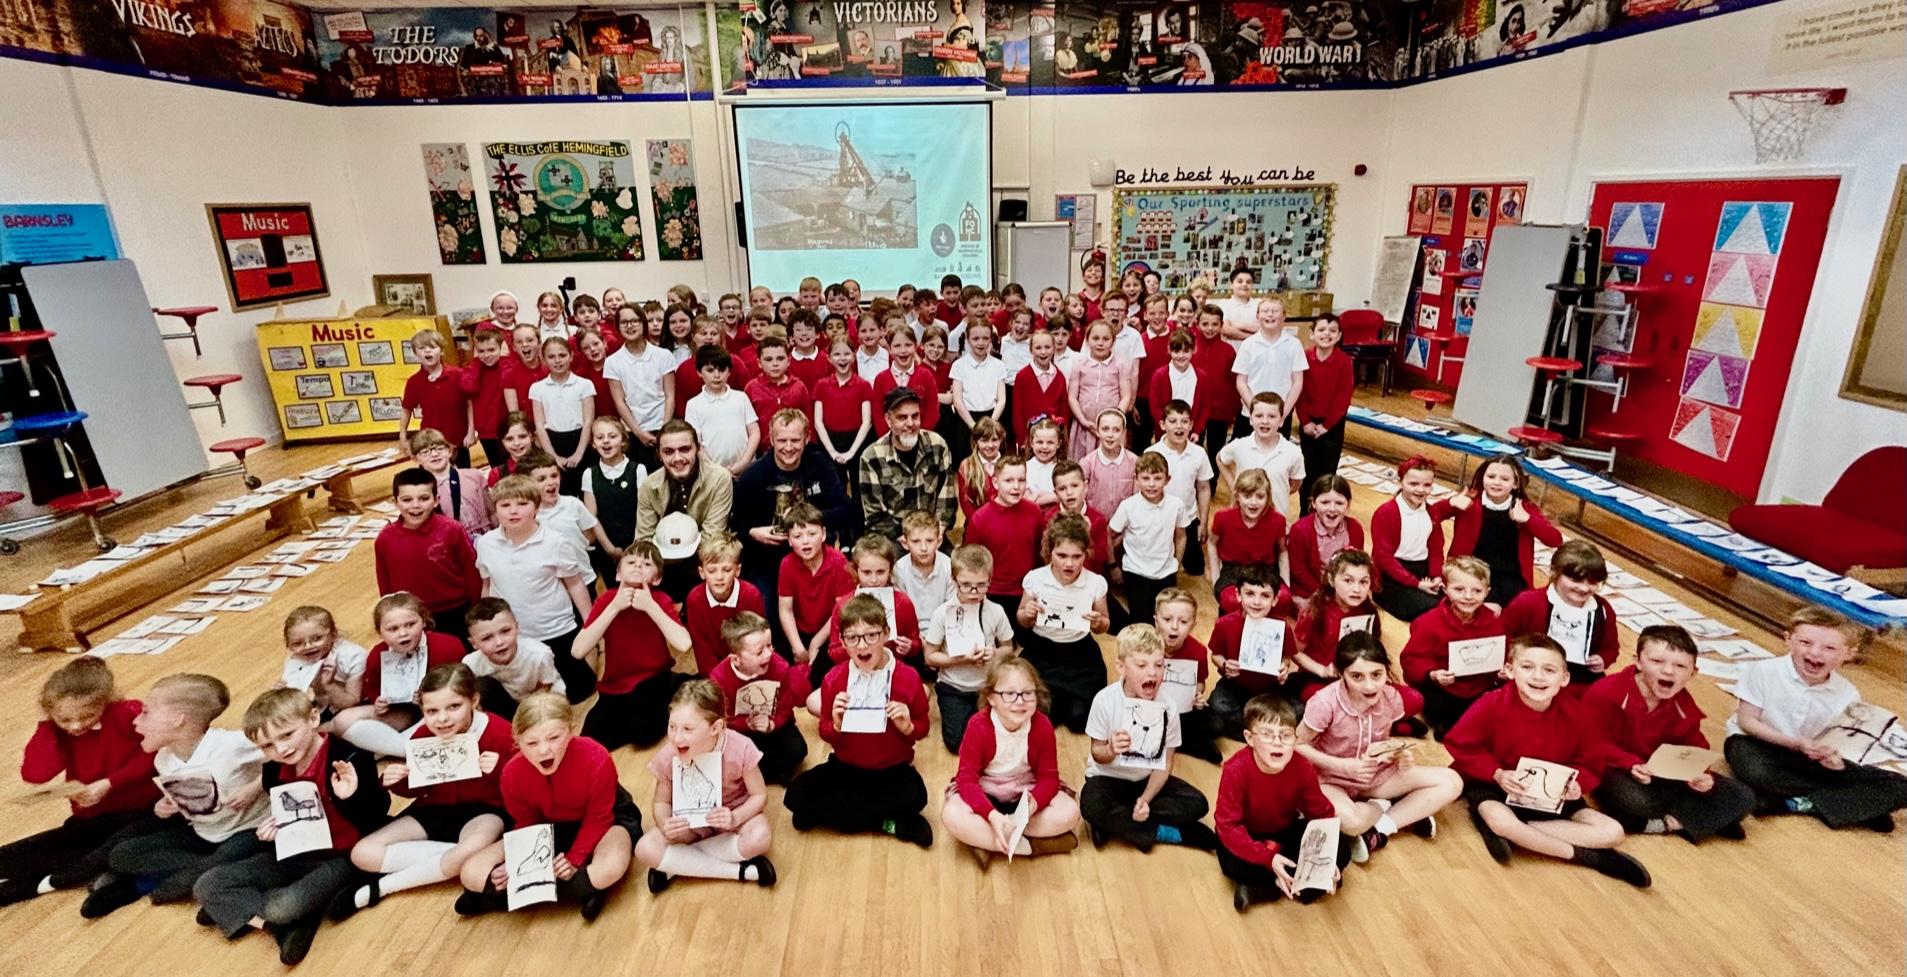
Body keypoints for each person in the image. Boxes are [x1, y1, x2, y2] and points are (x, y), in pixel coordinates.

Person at [194, 689, 390, 964]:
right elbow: (284, 811)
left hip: (341, 855)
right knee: (207, 885)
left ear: (312, 719)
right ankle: (280, 926)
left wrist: (351, 796)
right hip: (295, 854)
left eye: (287, 735)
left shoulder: (350, 755)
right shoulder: (274, 769)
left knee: (281, 906)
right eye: (268, 746)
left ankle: (252, 910)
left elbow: (378, 811)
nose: (281, 750)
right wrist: (275, 828)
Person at [1443, 636, 1651, 887]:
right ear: (1509, 670)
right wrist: (1496, 773)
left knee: (1614, 832)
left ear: (1564, 678)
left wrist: (1577, 784)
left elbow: (1592, 759)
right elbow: (1462, 744)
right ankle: (1590, 858)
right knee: (1500, 819)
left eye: (1549, 670)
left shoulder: (1577, 714)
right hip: (1497, 785)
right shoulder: (1491, 703)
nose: (1538, 677)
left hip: (1553, 794)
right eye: (1527, 667)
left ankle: (1518, 835)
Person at [332, 664, 512, 920]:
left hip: (485, 811)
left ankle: (384, 886)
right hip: (435, 808)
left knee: (472, 845)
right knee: (362, 852)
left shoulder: (499, 731)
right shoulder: (423, 735)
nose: (442, 719)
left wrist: (501, 769)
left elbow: (528, 787)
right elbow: (421, 788)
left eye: (453, 707)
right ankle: (451, 860)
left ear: (473, 700)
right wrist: (398, 781)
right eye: (432, 711)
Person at [83, 674, 265, 917]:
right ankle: (204, 873)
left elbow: (285, 760)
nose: (136, 721)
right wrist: (167, 805)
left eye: (145, 713)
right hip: (203, 834)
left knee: (173, 888)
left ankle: (141, 885)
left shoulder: (232, 745)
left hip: (248, 831)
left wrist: (255, 787)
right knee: (121, 854)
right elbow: (195, 801)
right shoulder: (163, 759)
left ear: (178, 719)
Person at [455, 694, 640, 920]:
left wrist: (574, 859)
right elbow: (526, 822)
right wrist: (515, 863)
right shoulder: (512, 774)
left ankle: (501, 898)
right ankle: (582, 889)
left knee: (611, 866)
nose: (544, 750)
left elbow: (599, 818)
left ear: (571, 730)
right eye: (532, 743)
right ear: (517, 740)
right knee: (470, 872)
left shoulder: (596, 757)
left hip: (608, 821)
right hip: (550, 826)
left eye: (553, 738)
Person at [1724, 607, 1907, 832]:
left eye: (1830, 648)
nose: (1816, 653)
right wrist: (1796, 744)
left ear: (1848, 653)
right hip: (1754, 743)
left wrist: (1834, 759)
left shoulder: (1848, 693)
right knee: (1756, 771)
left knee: (1901, 785)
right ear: (1788, 640)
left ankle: (1799, 803)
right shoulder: (1764, 671)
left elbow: (1839, 741)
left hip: (1806, 755)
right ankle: (1851, 804)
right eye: (1806, 643)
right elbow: (1747, 722)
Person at [0, 659, 158, 908]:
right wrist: (47, 727)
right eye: (65, 719)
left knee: (90, 854)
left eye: (87, 716)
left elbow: (155, 755)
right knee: (37, 850)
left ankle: (31, 886)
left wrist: (109, 783)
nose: (75, 726)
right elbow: (36, 774)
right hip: (91, 817)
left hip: (140, 811)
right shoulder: (56, 729)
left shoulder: (127, 713)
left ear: (104, 703)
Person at [785, 595, 935, 846]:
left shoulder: (907, 677)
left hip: (892, 768)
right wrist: (834, 723)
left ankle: (849, 816)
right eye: (853, 638)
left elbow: (922, 727)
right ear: (842, 641)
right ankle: (888, 823)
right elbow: (825, 732)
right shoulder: (834, 678)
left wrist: (908, 726)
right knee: (795, 796)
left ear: (886, 633)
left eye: (871, 635)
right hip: (846, 767)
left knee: (917, 796)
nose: (862, 646)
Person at [1297, 632, 1460, 860]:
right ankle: (1385, 807)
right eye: (1357, 676)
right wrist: (1342, 766)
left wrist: (1400, 754)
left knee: (1452, 781)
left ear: (1386, 669)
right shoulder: (1324, 703)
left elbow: (1381, 739)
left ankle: (1380, 829)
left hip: (1375, 776)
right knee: (1351, 822)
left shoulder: (1391, 697)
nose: (1370, 685)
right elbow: (1297, 746)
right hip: (1330, 779)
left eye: (1377, 674)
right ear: (1340, 674)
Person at [1584, 625, 1755, 842]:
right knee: (1634, 800)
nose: (1668, 671)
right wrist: (1631, 764)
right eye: (1657, 661)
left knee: (1745, 797)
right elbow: (1590, 743)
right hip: (1617, 768)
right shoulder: (1606, 692)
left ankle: (1666, 823)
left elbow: (1694, 746)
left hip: (1662, 774)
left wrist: (1704, 775)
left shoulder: (1683, 703)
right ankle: (1702, 819)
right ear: (1638, 661)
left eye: (1680, 666)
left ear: (1693, 673)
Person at [1080, 625, 1219, 852]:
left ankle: (1115, 823)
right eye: (1142, 665)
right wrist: (1111, 749)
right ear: (1121, 667)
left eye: (1159, 665)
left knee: (1198, 803)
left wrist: (1145, 799)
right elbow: (1097, 754)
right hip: (1108, 778)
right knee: (1090, 804)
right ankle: (1168, 833)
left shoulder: (1169, 706)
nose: (1152, 673)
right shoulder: (1104, 700)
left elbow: (1165, 763)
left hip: (1147, 780)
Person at [636, 681, 777, 892]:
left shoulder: (741, 747)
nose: (676, 737)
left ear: (716, 727)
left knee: (760, 837)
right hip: (689, 827)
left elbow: (759, 795)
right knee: (644, 849)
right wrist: (665, 823)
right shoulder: (669, 755)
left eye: (687, 729)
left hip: (731, 818)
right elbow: (661, 801)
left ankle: (677, 865)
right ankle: (742, 872)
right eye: (672, 726)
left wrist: (735, 817)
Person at [942, 656, 1083, 867]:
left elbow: (1049, 778)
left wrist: (1034, 803)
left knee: (1070, 812)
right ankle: (1032, 847)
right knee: (952, 814)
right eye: (1009, 694)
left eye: (1028, 693)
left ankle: (987, 843)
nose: (1020, 701)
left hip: (1026, 791)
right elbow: (967, 779)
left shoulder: (1042, 725)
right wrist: (991, 815)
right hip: (987, 791)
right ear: (991, 698)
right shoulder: (978, 725)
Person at [1217, 695, 1351, 911]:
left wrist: (1327, 859)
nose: (1278, 742)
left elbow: (1322, 814)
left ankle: (1268, 887)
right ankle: (1281, 884)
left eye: (1286, 735)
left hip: (1284, 828)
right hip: (1247, 833)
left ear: (1296, 740)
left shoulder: (1302, 767)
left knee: (1342, 851)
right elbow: (1228, 826)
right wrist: (1267, 857)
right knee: (1230, 861)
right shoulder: (1235, 770)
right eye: (1268, 735)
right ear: (1249, 738)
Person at [476, 474, 595, 699]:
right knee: (521, 692)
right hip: (513, 634)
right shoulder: (486, 544)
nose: (513, 511)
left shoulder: (556, 542)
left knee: (580, 691)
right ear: (496, 509)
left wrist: (589, 624)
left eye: (522, 504)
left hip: (555, 628)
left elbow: (575, 584)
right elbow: (487, 585)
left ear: (536, 508)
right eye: (505, 505)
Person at [574, 544, 692, 750]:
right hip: (616, 685)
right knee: (588, 741)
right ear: (618, 574)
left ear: (656, 579)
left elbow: (683, 643)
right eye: (631, 562)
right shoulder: (606, 600)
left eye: (646, 564)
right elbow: (578, 650)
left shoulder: (659, 600)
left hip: (654, 678)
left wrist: (650, 606)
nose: (638, 566)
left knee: (643, 733)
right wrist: (614, 607)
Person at [734, 409, 856, 606]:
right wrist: (753, 532)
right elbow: (736, 525)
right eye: (782, 441)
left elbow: (847, 511)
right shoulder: (753, 477)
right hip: (769, 560)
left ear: (806, 438)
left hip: (817, 555)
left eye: (795, 440)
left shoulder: (820, 466)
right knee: (764, 607)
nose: (788, 447)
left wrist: (810, 521)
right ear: (771, 439)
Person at [331, 594, 466, 758]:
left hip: (440, 713)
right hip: (402, 713)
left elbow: (463, 688)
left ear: (423, 621)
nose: (403, 633)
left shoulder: (448, 645)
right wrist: (379, 702)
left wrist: (429, 700)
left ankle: (392, 747)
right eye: (393, 629)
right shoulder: (377, 655)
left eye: (410, 624)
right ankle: (407, 750)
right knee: (341, 721)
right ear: (379, 631)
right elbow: (373, 687)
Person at [1016, 516, 1112, 732]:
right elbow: (1021, 618)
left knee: (1080, 720)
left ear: (1086, 554)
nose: (1069, 563)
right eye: (1062, 556)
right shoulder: (1036, 579)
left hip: (1079, 655)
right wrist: (1028, 613)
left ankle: (1067, 701)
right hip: (1043, 651)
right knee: (1043, 717)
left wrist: (1098, 622)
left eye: (1076, 556)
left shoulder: (1095, 582)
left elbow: (1105, 623)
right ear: (1050, 552)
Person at [923, 545, 1019, 754]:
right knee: (957, 743)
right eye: (966, 585)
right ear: (953, 581)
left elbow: (1008, 649)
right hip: (953, 687)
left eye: (981, 585)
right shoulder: (942, 613)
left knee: (1000, 739)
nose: (974, 592)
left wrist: (994, 654)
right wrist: (961, 659)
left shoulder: (996, 611)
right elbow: (930, 657)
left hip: (988, 687)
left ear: (990, 581)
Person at [1402, 557, 1507, 739]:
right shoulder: (1428, 623)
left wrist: (1503, 672)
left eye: (1477, 591)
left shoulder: (1494, 624)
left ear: (1487, 592)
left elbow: (1502, 655)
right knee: (1436, 705)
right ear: (1445, 590)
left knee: (1501, 702)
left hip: (1479, 685)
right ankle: (1457, 726)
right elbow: (1411, 659)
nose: (1468, 597)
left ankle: (1471, 724)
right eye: (1459, 589)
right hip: (1443, 688)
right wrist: (1432, 674)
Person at [376, 468, 482, 647]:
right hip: (410, 616)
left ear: (436, 501)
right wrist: (389, 614)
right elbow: (385, 584)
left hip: (455, 612)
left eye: (424, 499)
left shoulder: (452, 530)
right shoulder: (385, 539)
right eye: (407, 500)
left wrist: (477, 609)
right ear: (395, 502)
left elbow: (471, 571)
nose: (415, 505)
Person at [632, 420, 735, 602]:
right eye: (669, 451)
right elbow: (643, 540)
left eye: (685, 449)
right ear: (659, 454)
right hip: (662, 565)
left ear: (698, 448)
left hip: (705, 564)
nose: (677, 458)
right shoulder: (649, 485)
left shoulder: (720, 478)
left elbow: (713, 536)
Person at [1443, 454, 1564, 606]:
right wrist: (1450, 503)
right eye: (1491, 476)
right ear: (1483, 478)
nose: (1496, 483)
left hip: (1510, 577)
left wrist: (1528, 519)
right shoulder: (1470, 500)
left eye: (1505, 479)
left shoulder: (1525, 507)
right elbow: (1432, 515)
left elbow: (1555, 540)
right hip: (1471, 571)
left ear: (1515, 484)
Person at [1499, 539, 1620, 687]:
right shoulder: (1528, 602)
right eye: (1576, 580)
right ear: (1555, 573)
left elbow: (1611, 647)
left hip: (1580, 682)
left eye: (1593, 583)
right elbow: (1502, 635)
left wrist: (1603, 659)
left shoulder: (1603, 609)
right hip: (1534, 678)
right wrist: (1510, 663)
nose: (1584, 588)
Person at [710, 612, 811, 786]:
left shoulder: (780, 667)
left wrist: (772, 723)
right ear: (736, 659)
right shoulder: (719, 678)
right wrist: (745, 724)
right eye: (759, 652)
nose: (768, 654)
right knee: (724, 756)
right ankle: (764, 774)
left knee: (798, 749)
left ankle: (756, 775)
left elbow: (786, 706)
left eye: (770, 645)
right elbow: (722, 718)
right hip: (739, 733)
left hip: (774, 726)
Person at [1205, 564, 1300, 737]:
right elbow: (1215, 655)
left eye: (1265, 596)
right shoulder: (1224, 624)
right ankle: (1262, 729)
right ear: (1238, 595)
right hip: (1236, 684)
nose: (1256, 602)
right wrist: (1225, 664)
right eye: (1249, 594)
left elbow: (1286, 657)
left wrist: (1283, 667)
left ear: (1275, 600)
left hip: (1270, 686)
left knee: (1298, 710)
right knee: (1218, 705)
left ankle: (1250, 728)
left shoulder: (1282, 627)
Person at [858, 388, 958, 540]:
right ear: (888, 420)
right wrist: (907, 539)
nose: (910, 423)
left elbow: (947, 497)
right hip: (892, 537)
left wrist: (939, 531)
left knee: (953, 563)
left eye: (915, 416)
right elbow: (875, 513)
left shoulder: (938, 445)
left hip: (931, 532)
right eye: (902, 417)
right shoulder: (871, 457)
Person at [1109, 452, 1187, 627]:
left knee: (1167, 620)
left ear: (1167, 479)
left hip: (1165, 572)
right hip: (1136, 572)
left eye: (1157, 478)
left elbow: (1181, 535)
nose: (1151, 484)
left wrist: (1176, 563)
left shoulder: (1176, 505)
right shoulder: (1128, 506)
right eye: (1145, 478)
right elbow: (1109, 534)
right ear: (1136, 479)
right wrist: (1113, 565)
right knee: (1142, 622)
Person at [1370, 456, 1450, 624]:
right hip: (1392, 577)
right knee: (1435, 609)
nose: (1421, 490)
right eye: (1413, 484)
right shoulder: (1386, 513)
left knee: (1455, 601)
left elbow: (1436, 549)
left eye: (1427, 485)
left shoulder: (1431, 512)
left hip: (1422, 571)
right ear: (1400, 483)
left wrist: (1436, 577)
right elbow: (1384, 558)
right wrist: (1416, 584)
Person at [777, 502, 857, 668]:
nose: (805, 541)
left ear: (823, 534)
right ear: (789, 540)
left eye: (812, 534)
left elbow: (841, 610)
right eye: (798, 536)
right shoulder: (787, 564)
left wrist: (816, 642)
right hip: (799, 632)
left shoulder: (838, 562)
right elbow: (786, 610)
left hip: (830, 631)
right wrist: (797, 646)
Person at [962, 455, 1045, 613]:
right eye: (1008, 481)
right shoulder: (980, 518)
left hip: (1027, 592)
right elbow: (971, 562)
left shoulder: (1034, 512)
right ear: (995, 482)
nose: (1016, 487)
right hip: (992, 593)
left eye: (1021, 480)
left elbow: (1040, 552)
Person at [1292, 551, 1381, 698]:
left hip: (1356, 679)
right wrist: (1322, 670)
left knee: (1412, 699)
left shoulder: (1369, 612)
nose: (1357, 589)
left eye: (1363, 582)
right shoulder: (1314, 612)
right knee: (1325, 700)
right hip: (1316, 679)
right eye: (1348, 581)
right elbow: (1295, 652)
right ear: (1331, 580)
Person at [1142, 400, 1213, 577]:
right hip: (1159, 518)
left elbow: (1204, 488)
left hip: (1188, 518)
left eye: (1184, 421)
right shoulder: (1152, 452)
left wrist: (1203, 523)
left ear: (1191, 425)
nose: (1178, 426)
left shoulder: (1199, 453)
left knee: (1195, 569)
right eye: (1173, 421)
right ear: (1162, 425)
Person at [604, 303, 678, 471]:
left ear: (643, 323)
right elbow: (619, 401)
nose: (630, 326)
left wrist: (664, 430)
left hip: (663, 426)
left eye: (635, 321)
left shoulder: (663, 355)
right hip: (633, 432)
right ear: (618, 327)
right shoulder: (612, 362)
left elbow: (670, 395)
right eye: (624, 322)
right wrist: (638, 432)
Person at [1216, 392, 1305, 528]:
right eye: (1259, 416)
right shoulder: (1240, 445)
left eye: (1272, 416)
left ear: (1281, 420)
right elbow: (1220, 459)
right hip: (1242, 522)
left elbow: (1295, 483)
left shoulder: (1293, 452)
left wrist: (1278, 490)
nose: (1265, 421)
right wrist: (1234, 484)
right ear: (1251, 419)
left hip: (1276, 525)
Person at [1154, 587, 1223, 763]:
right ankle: (1185, 744)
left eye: (1183, 621)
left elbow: (1199, 682)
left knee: (1216, 725)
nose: (1174, 626)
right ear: (1156, 621)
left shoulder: (1198, 651)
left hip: (1181, 711)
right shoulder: (1143, 646)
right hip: (1151, 710)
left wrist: (1198, 695)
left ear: (1193, 625)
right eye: (1167, 619)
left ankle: (1171, 743)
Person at [462, 598, 565, 715]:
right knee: (483, 686)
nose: (499, 642)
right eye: (487, 638)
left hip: (541, 698)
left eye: (505, 631)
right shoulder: (471, 663)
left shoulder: (539, 654)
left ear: (517, 627)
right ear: (473, 643)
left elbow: (546, 686)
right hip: (508, 702)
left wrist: (525, 714)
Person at [684, 533, 766, 677]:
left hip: (747, 668)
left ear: (737, 570)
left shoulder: (751, 595)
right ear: (702, 572)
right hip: (713, 674)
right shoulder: (695, 599)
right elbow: (702, 651)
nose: (719, 577)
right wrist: (718, 682)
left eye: (727, 570)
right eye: (712, 570)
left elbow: (756, 644)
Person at [1293, 315, 1351, 511]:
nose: (1327, 334)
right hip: (1308, 424)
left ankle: (1323, 511)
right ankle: (1305, 512)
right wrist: (1305, 421)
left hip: (1332, 426)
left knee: (1327, 472)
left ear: (1339, 335)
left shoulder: (1344, 362)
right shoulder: (1304, 358)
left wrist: (1327, 426)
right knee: (1307, 470)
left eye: (1332, 331)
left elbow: (1343, 398)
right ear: (1312, 334)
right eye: (1322, 330)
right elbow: (1299, 392)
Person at [1207, 469, 1284, 614]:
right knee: (1230, 601)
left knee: (1284, 598)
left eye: (1260, 497)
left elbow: (1282, 551)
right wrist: (1215, 579)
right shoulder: (1223, 518)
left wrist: (1287, 584)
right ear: (1237, 496)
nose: (1253, 502)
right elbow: (1212, 543)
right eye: (1247, 496)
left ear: (1268, 498)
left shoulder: (1277, 521)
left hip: (1265, 570)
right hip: (1233, 570)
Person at [529, 337, 597, 498]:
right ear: (543, 359)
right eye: (551, 357)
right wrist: (553, 457)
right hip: (553, 443)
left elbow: (588, 421)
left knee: (587, 491)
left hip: (581, 441)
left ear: (571, 356)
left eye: (562, 355)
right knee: (562, 492)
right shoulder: (538, 388)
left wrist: (579, 453)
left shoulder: (584, 384)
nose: (557, 361)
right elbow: (539, 425)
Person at [582, 415, 645, 585]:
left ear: (623, 441)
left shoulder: (638, 469)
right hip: (607, 547)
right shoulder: (590, 474)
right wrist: (610, 549)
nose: (606, 442)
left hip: (635, 543)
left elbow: (644, 510)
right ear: (593, 443)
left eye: (612, 436)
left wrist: (635, 546)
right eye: (600, 437)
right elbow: (591, 517)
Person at [1232, 297, 1305, 438]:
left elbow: (1298, 382)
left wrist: (1284, 412)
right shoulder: (1248, 344)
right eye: (1265, 311)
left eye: (1275, 311)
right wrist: (1254, 409)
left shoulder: (1294, 344)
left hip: (1279, 415)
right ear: (1257, 316)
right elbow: (1241, 381)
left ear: (1284, 316)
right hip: (1250, 413)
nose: (1270, 314)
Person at [277, 606, 369, 718]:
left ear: (333, 635)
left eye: (317, 638)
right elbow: (294, 703)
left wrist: (329, 685)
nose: (308, 646)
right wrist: (280, 695)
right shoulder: (295, 661)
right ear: (289, 645)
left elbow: (353, 702)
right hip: (322, 708)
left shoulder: (353, 656)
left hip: (360, 707)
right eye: (297, 643)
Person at [398, 329, 472, 466]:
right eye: (422, 348)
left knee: (462, 478)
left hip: (458, 441)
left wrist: (471, 431)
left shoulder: (458, 374)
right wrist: (403, 436)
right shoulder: (414, 382)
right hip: (429, 444)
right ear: (415, 353)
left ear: (441, 350)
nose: (427, 351)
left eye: (432, 347)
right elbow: (406, 409)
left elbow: (470, 404)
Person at [683, 346, 760, 476]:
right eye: (710, 370)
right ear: (699, 372)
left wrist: (744, 461)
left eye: (722, 370)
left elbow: (754, 432)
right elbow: (695, 442)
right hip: (712, 473)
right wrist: (715, 470)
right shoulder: (694, 405)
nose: (717, 375)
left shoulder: (741, 398)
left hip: (746, 470)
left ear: (729, 372)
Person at [815, 333, 876, 491]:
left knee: (859, 487)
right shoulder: (822, 385)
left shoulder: (863, 385)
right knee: (835, 487)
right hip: (830, 440)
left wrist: (852, 452)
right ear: (829, 358)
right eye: (837, 354)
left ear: (854, 356)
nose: (842, 358)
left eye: (847, 353)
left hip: (857, 440)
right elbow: (818, 422)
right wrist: (832, 452)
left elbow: (867, 422)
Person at [1066, 319, 1135, 461]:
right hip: (1085, 425)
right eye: (1095, 338)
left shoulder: (1120, 364)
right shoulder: (1079, 363)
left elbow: (1126, 396)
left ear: (1113, 342)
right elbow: (1072, 396)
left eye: (1106, 339)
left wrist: (1114, 418)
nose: (1100, 343)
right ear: (1087, 340)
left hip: (1111, 428)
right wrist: (1083, 420)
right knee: (1082, 463)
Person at [1287, 474, 1362, 600]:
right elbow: (1298, 570)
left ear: (1348, 505)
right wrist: (1324, 594)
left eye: (1339, 503)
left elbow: (1357, 565)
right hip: (1309, 591)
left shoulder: (1355, 529)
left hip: (1344, 591)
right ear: (1314, 503)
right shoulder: (1300, 530)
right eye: (1325, 502)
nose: (1332, 509)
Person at [409, 429, 492, 538]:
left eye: (439, 449)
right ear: (415, 458)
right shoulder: (420, 489)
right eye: (425, 452)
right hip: (452, 543)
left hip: (486, 538)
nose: (434, 454)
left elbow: (492, 512)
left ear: (449, 451)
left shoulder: (474, 476)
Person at [947, 319, 1008, 461]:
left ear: (991, 339)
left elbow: (1002, 399)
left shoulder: (998, 365)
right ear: (968, 340)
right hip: (967, 422)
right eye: (975, 338)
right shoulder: (959, 365)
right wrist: (974, 427)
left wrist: (990, 424)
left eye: (985, 338)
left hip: (993, 418)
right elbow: (957, 400)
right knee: (967, 464)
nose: (980, 343)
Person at [1191, 305, 1238, 467]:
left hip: (1220, 412)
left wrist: (1232, 411)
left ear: (1221, 325)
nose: (1210, 328)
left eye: (1214, 324)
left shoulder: (1229, 351)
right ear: (1197, 324)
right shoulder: (1191, 349)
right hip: (1195, 411)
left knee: (1216, 451)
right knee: (1193, 450)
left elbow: (1233, 383)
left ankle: (1211, 485)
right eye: (1205, 324)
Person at [460, 327, 511, 467]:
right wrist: (476, 361)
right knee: (496, 466)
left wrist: (505, 358)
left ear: (501, 348)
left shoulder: (507, 366)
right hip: (486, 431)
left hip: (507, 428)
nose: (486, 355)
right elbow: (468, 388)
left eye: (491, 350)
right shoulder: (473, 368)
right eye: (481, 351)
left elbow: (509, 378)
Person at [1012, 328, 1069, 441]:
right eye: (1038, 348)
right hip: (1029, 438)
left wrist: (1061, 435)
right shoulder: (1023, 376)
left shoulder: (1059, 377)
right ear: (1031, 350)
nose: (1043, 352)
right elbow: (1017, 411)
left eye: (1047, 347)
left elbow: (1064, 411)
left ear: (1054, 349)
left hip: (1052, 438)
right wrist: (1022, 438)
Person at [895, 509, 953, 619]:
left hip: (943, 627)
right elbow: (901, 609)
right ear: (905, 543)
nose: (923, 548)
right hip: (911, 628)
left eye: (930, 541)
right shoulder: (899, 569)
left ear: (939, 542)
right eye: (916, 541)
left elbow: (951, 607)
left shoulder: (948, 567)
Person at [1079, 407, 1136, 519]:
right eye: (1105, 429)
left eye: (1116, 430)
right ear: (1097, 431)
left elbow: (1137, 498)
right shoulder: (1087, 463)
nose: (1110, 435)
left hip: (1125, 526)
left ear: (1124, 432)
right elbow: (1081, 497)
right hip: (1095, 525)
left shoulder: (1133, 462)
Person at [954, 416, 1005, 521]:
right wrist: (981, 524)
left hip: (1006, 521)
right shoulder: (967, 466)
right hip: (977, 522)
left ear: (1001, 440)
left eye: (994, 440)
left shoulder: (1008, 464)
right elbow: (966, 503)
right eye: (984, 441)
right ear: (976, 441)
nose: (990, 445)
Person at [485, 412, 538, 487]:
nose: (517, 443)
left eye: (522, 436)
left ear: (532, 437)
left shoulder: (547, 466)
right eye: (509, 439)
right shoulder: (497, 475)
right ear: (502, 441)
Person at [1214, 268, 1258, 340]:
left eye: (1248, 282)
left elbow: (1266, 328)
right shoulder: (1224, 304)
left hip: (1255, 350)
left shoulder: (1260, 304)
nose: (1244, 284)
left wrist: (1239, 325)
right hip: (1231, 350)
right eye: (1240, 281)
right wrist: (1252, 338)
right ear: (1231, 285)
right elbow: (1226, 330)